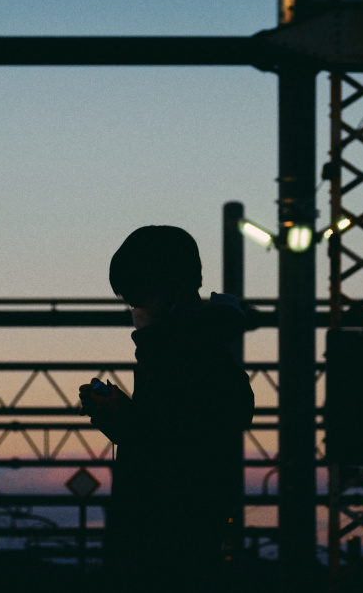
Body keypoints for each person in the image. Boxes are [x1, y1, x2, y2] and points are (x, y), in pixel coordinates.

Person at [78, 225, 254, 590]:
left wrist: (126, 424)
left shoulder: (189, 361)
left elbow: (175, 471)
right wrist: (127, 421)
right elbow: (170, 438)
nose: (135, 311)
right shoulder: (193, 355)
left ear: (173, 291)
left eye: (137, 299)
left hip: (168, 567)